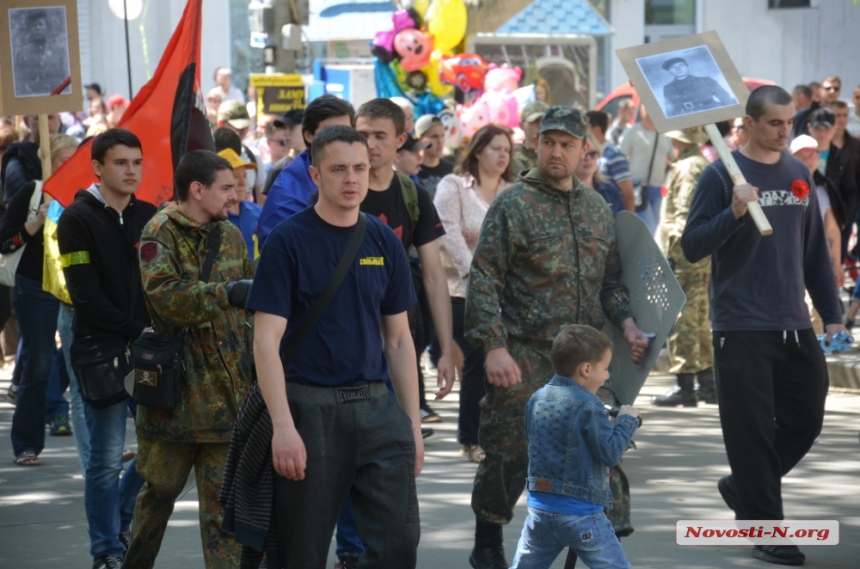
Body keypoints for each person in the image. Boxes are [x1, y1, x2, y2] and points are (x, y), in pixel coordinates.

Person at [465, 106, 650, 569]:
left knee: (602, 450)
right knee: (509, 448)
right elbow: (485, 279)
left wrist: (626, 323)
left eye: (567, 144)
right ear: (536, 144)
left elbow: (611, 283)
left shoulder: (595, 208)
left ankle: (604, 539)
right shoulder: (513, 204)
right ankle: (488, 537)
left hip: (583, 361)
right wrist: (493, 345)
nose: (556, 151)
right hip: (525, 351)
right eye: (549, 142)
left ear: (584, 149)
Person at [232, 125, 422, 568]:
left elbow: (398, 340)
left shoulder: (382, 240)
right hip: (309, 412)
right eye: (338, 169)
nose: (352, 178)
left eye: (360, 168)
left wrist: (411, 423)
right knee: (301, 552)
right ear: (316, 176)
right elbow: (266, 341)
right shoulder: (286, 241)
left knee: (399, 544)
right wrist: (282, 426)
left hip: (378, 409)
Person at [681, 86, 846, 567]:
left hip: (793, 321)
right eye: (775, 123)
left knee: (805, 420)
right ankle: (767, 528)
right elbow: (692, 246)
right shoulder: (720, 175)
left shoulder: (798, 174)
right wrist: (734, 212)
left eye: (789, 122)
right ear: (749, 124)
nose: (784, 131)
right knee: (750, 433)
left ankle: (742, 487)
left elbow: (814, 253)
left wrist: (831, 315)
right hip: (740, 325)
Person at [122, 150, 254, 569]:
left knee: (222, 514)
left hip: (227, 398)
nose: (235, 196)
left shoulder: (230, 234)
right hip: (175, 401)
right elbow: (166, 300)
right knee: (157, 497)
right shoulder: (158, 232)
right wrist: (224, 293)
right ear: (198, 190)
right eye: (227, 187)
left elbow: (247, 310)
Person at [58, 128, 155, 569]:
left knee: (159, 448)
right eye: (121, 163)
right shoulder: (76, 219)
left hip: (148, 351)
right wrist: (137, 328)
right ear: (97, 167)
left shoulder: (152, 216)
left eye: (136, 161)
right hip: (100, 352)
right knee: (104, 458)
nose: (131, 170)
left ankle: (118, 513)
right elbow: (85, 295)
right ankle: (106, 550)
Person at [356, 98, 456, 424]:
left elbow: (434, 276)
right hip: (347, 335)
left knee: (401, 433)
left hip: (399, 334)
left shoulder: (414, 196)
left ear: (401, 140)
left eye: (380, 135)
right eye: (363, 134)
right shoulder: (336, 191)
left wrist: (445, 349)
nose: (370, 144)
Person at [509, 325, 640, 569]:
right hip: (582, 515)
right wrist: (626, 421)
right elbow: (610, 453)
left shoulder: (536, 398)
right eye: (606, 368)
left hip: (540, 511)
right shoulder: (590, 406)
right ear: (586, 369)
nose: (608, 375)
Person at [434, 124, 514, 463]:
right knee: (478, 361)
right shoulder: (453, 186)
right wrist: (476, 272)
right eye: (495, 148)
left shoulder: (513, 192)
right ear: (478, 150)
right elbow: (446, 231)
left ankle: (499, 433)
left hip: (504, 295)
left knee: (505, 364)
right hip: (460, 291)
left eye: (507, 150)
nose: (502, 155)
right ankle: (470, 438)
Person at [1, 134, 78, 466]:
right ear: (50, 161)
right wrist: (36, 221)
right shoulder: (31, 191)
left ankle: (104, 441)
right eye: (64, 162)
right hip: (36, 286)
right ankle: (27, 444)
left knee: (86, 361)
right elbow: (5, 241)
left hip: (76, 285)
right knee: (40, 362)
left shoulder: (87, 195)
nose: (71, 169)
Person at [652, 126, 715, 407]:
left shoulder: (688, 167)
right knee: (699, 316)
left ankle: (686, 384)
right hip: (697, 251)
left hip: (685, 252)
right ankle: (707, 382)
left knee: (683, 317)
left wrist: (673, 252)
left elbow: (683, 214)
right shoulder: (698, 163)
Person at [257, 95, 355, 249]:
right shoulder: (286, 190)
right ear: (309, 136)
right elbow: (276, 251)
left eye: (346, 131)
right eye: (331, 132)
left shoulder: (365, 173)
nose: (340, 140)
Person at [791, 135, 845, 333]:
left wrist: (837, 264)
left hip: (815, 261)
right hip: (789, 262)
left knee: (814, 312)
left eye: (811, 155)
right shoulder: (782, 186)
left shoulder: (823, 189)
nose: (807, 160)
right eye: (801, 156)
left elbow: (832, 229)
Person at [807, 107, 857, 264]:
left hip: (833, 220)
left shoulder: (843, 157)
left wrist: (843, 219)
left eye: (826, 129)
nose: (822, 134)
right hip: (803, 218)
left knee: (831, 265)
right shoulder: (798, 154)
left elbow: (850, 191)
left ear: (835, 128)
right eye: (818, 129)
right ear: (809, 128)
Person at [619, 104, 674, 232]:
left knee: (657, 229)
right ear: (641, 112)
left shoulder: (666, 135)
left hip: (658, 189)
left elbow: (672, 158)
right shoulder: (631, 133)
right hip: (637, 188)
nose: (650, 112)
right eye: (646, 108)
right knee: (648, 228)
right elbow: (621, 158)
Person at [2, 114, 61, 202]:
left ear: (59, 120)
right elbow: (15, 208)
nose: (46, 123)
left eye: (50, 117)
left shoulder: (67, 152)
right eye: (37, 118)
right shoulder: (18, 160)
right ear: (26, 121)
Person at [11, 9, 70, 97]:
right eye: (34, 25)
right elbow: (18, 84)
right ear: (30, 29)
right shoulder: (22, 52)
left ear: (47, 27)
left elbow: (66, 81)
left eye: (40, 24)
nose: (37, 28)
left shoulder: (59, 50)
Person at [217, 100, 266, 203]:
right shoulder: (206, 155)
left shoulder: (254, 157)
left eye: (246, 126)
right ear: (221, 123)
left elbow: (262, 200)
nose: (243, 131)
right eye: (238, 127)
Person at [586, 110, 635, 213]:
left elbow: (628, 195)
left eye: (585, 128)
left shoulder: (615, 155)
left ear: (597, 130)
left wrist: (628, 223)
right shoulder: (585, 154)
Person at [219, 148, 263, 262]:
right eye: (235, 177)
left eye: (244, 176)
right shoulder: (212, 219)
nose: (243, 183)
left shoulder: (258, 213)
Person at [661, 57, 735, 118]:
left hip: (713, 112)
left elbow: (726, 98)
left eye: (682, 66)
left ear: (687, 67)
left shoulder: (706, 80)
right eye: (673, 67)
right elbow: (670, 109)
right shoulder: (668, 88)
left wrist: (731, 114)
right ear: (669, 71)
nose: (678, 69)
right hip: (689, 117)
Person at [575, 133, 625, 217]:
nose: (588, 158)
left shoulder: (611, 191)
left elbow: (624, 224)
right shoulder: (563, 193)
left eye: (592, 153)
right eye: (582, 153)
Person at [262, 109, 306, 195]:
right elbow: (270, 205)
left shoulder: (319, 162)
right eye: (284, 128)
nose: (285, 133)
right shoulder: (279, 168)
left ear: (306, 130)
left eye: (291, 128)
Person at [416, 114, 455, 198]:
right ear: (420, 139)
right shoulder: (413, 170)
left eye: (442, 136)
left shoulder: (451, 169)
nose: (440, 141)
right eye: (434, 136)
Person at [512, 101, 549, 174]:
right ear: (521, 126)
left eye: (545, 121)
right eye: (536, 121)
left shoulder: (557, 154)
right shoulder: (513, 155)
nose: (541, 125)